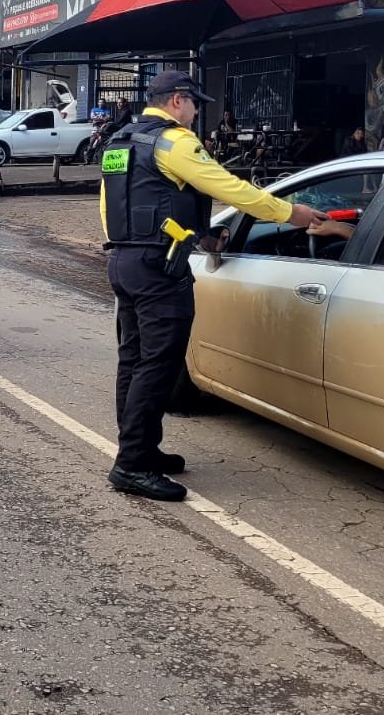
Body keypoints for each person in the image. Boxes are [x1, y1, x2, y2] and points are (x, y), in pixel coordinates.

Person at [100, 71, 325, 502]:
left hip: (125, 259)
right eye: (195, 104)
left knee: (134, 360)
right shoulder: (176, 142)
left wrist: (199, 235)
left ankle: (139, 448)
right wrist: (287, 212)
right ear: (178, 101)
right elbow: (228, 187)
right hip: (159, 269)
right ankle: (131, 464)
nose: (197, 112)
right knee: (158, 364)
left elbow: (123, 205)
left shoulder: (121, 140)